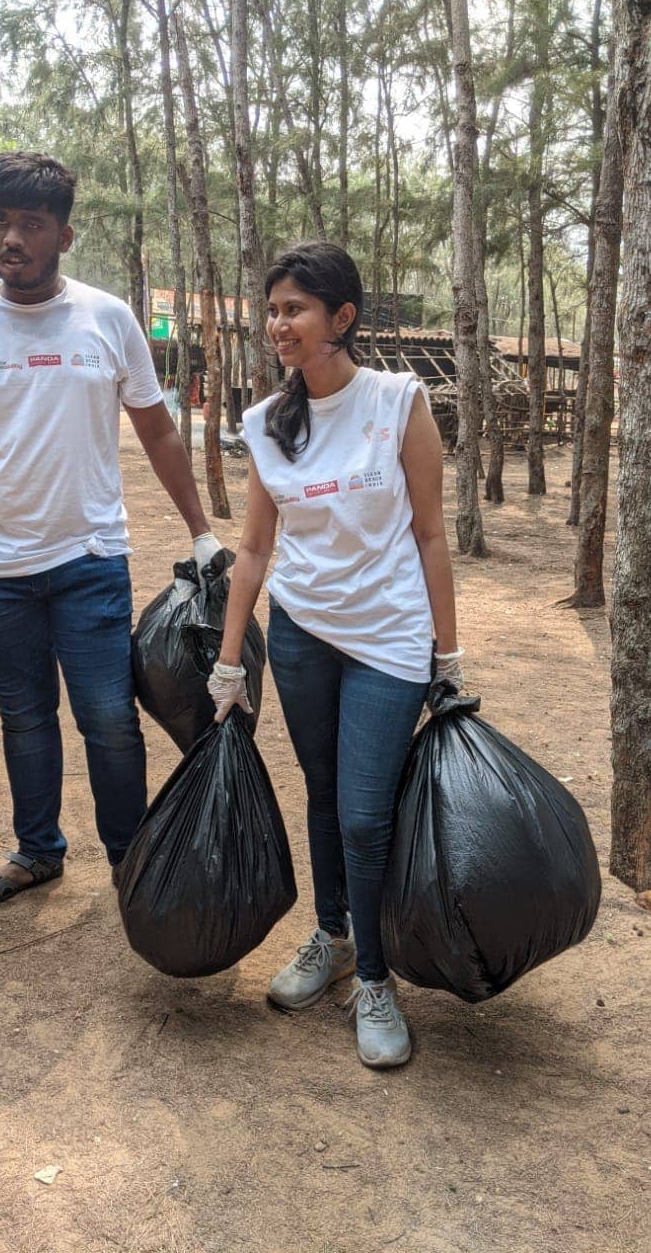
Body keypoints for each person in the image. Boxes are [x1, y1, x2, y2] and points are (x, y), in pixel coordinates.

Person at [0, 151, 221, 906]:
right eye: (0, 221)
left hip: (88, 558)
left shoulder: (106, 318)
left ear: (63, 236)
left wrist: (200, 529)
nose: (12, 238)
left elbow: (159, 431)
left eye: (30, 224)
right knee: (25, 717)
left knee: (107, 717)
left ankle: (131, 860)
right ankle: (39, 852)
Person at [207, 242, 464, 1068]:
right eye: (273, 309)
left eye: (294, 309)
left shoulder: (396, 400)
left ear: (341, 319)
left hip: (388, 638)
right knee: (322, 795)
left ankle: (380, 979)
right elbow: (251, 549)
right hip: (304, 635)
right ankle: (332, 935)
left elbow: (430, 534)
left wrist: (447, 653)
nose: (277, 323)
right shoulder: (265, 424)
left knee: (364, 812)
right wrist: (230, 658)